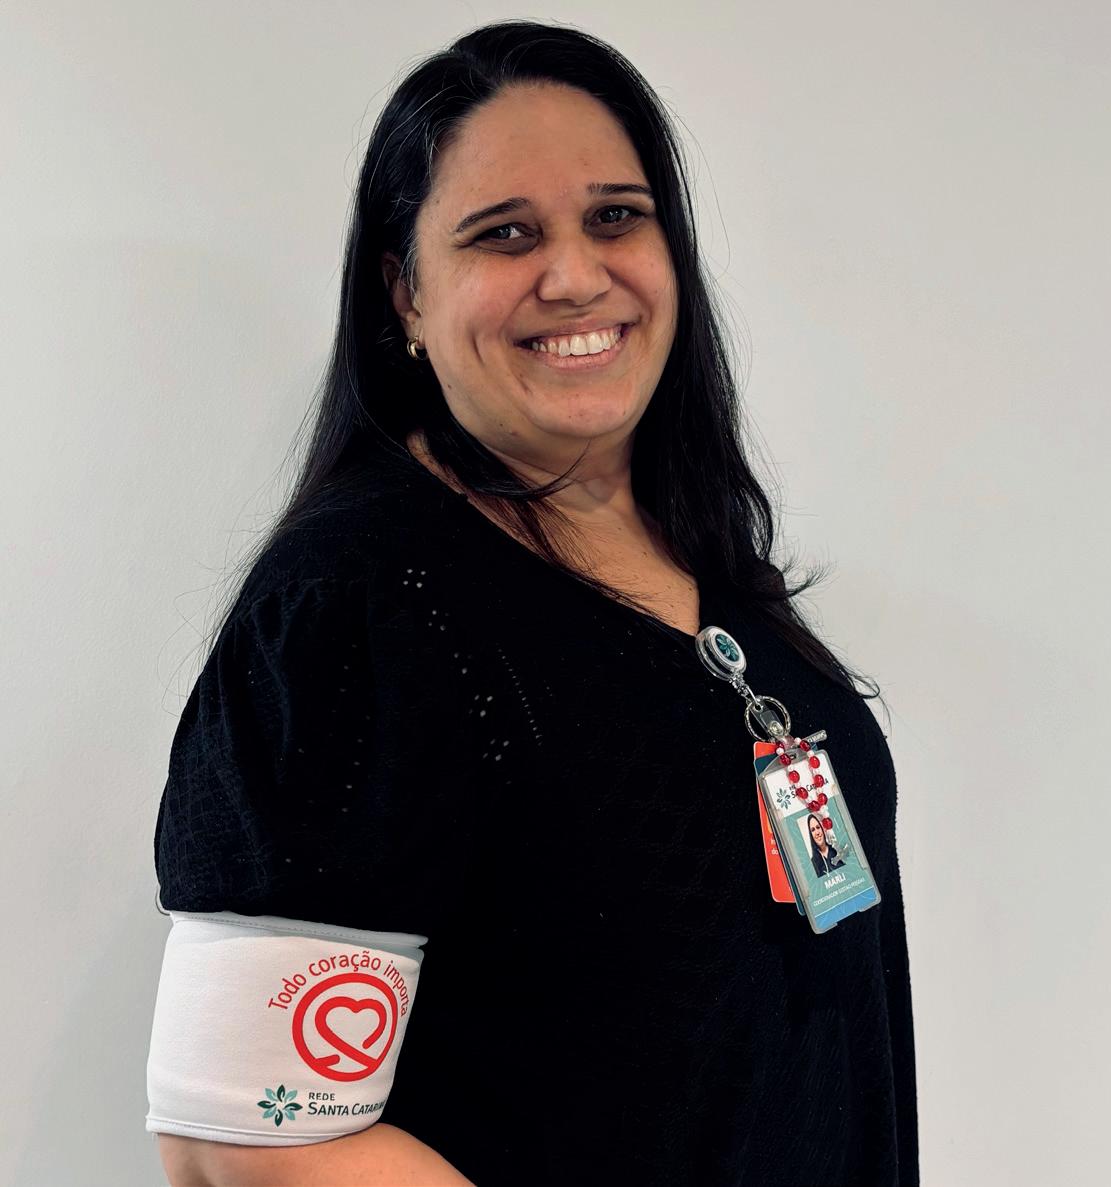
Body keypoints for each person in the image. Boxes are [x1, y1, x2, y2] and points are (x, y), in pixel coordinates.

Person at [146, 19, 918, 1187]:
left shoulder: (707, 568)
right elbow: (241, 1140)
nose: (573, 275)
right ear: (404, 295)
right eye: (503, 233)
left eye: (615, 216)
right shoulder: (355, 613)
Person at [808, 811, 847, 877]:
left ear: (823, 829)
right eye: (813, 830)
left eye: (818, 827)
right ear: (811, 834)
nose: (817, 833)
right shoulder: (813, 863)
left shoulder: (836, 849)